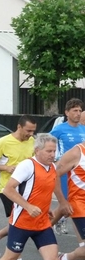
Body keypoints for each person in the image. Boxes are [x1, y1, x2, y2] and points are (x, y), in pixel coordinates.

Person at [0, 133, 67, 260]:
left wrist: (46, 207)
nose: (52, 154)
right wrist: (28, 206)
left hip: (42, 224)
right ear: (37, 150)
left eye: (54, 151)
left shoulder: (52, 167)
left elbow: (46, 188)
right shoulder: (27, 166)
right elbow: (8, 190)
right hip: (22, 223)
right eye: (49, 151)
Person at [0, 115, 37, 260]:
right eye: (28, 130)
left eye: (33, 131)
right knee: (18, 223)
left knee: (23, 221)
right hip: (7, 189)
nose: (30, 134)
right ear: (19, 127)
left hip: (26, 189)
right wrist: (6, 168)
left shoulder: (32, 141)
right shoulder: (4, 141)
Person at [50, 98, 85, 235]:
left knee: (72, 202)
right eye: (75, 110)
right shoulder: (59, 129)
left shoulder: (83, 129)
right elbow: (45, 145)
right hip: (65, 171)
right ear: (67, 112)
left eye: (80, 111)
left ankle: (47, 227)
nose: (78, 113)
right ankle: (44, 228)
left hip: (80, 170)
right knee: (68, 202)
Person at [53, 140, 85, 260]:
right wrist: (62, 201)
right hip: (80, 205)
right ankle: (64, 259)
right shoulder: (76, 152)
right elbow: (53, 175)